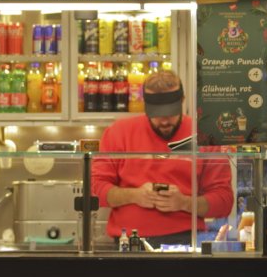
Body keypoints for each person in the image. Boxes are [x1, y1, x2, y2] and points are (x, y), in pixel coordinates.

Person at [91, 70, 232, 246]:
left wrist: (184, 203)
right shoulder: (118, 133)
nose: (164, 122)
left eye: (171, 113)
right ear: (145, 106)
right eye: (157, 115)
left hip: (187, 241)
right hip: (128, 242)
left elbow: (224, 201)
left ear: (182, 101)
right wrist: (134, 195)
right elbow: (96, 190)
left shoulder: (205, 135)